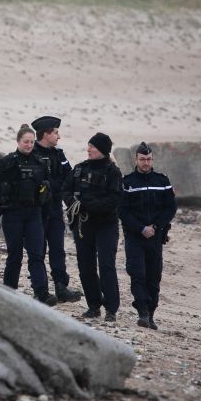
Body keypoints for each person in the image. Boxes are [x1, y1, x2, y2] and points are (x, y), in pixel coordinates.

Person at [0, 124, 58, 306]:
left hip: (34, 214)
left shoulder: (40, 163)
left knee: (36, 254)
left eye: (32, 142)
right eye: (26, 142)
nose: (29, 145)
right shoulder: (6, 163)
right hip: (13, 214)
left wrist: (46, 213)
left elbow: (48, 190)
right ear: (18, 141)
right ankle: (8, 291)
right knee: (15, 255)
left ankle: (42, 293)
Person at [62, 132, 123, 322]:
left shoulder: (113, 172)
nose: (88, 149)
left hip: (106, 226)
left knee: (106, 266)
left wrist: (87, 205)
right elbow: (66, 190)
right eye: (88, 146)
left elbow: (113, 200)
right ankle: (93, 306)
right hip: (83, 225)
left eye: (92, 147)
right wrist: (74, 203)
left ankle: (111, 309)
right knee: (85, 267)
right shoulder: (79, 169)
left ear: (103, 150)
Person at [120, 142, 177, 330]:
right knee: (137, 274)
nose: (146, 163)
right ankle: (142, 312)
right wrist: (140, 228)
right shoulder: (128, 182)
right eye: (142, 159)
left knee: (154, 277)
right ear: (136, 160)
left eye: (149, 159)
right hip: (135, 237)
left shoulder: (162, 181)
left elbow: (170, 207)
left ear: (153, 160)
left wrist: (155, 226)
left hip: (155, 236)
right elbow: (123, 211)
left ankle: (151, 314)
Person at [31, 115, 83, 303]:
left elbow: (69, 178)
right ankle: (40, 290)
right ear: (45, 134)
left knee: (58, 249)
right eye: (55, 132)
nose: (58, 136)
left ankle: (61, 287)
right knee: (38, 251)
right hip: (36, 212)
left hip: (54, 210)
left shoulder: (58, 155)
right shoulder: (31, 153)